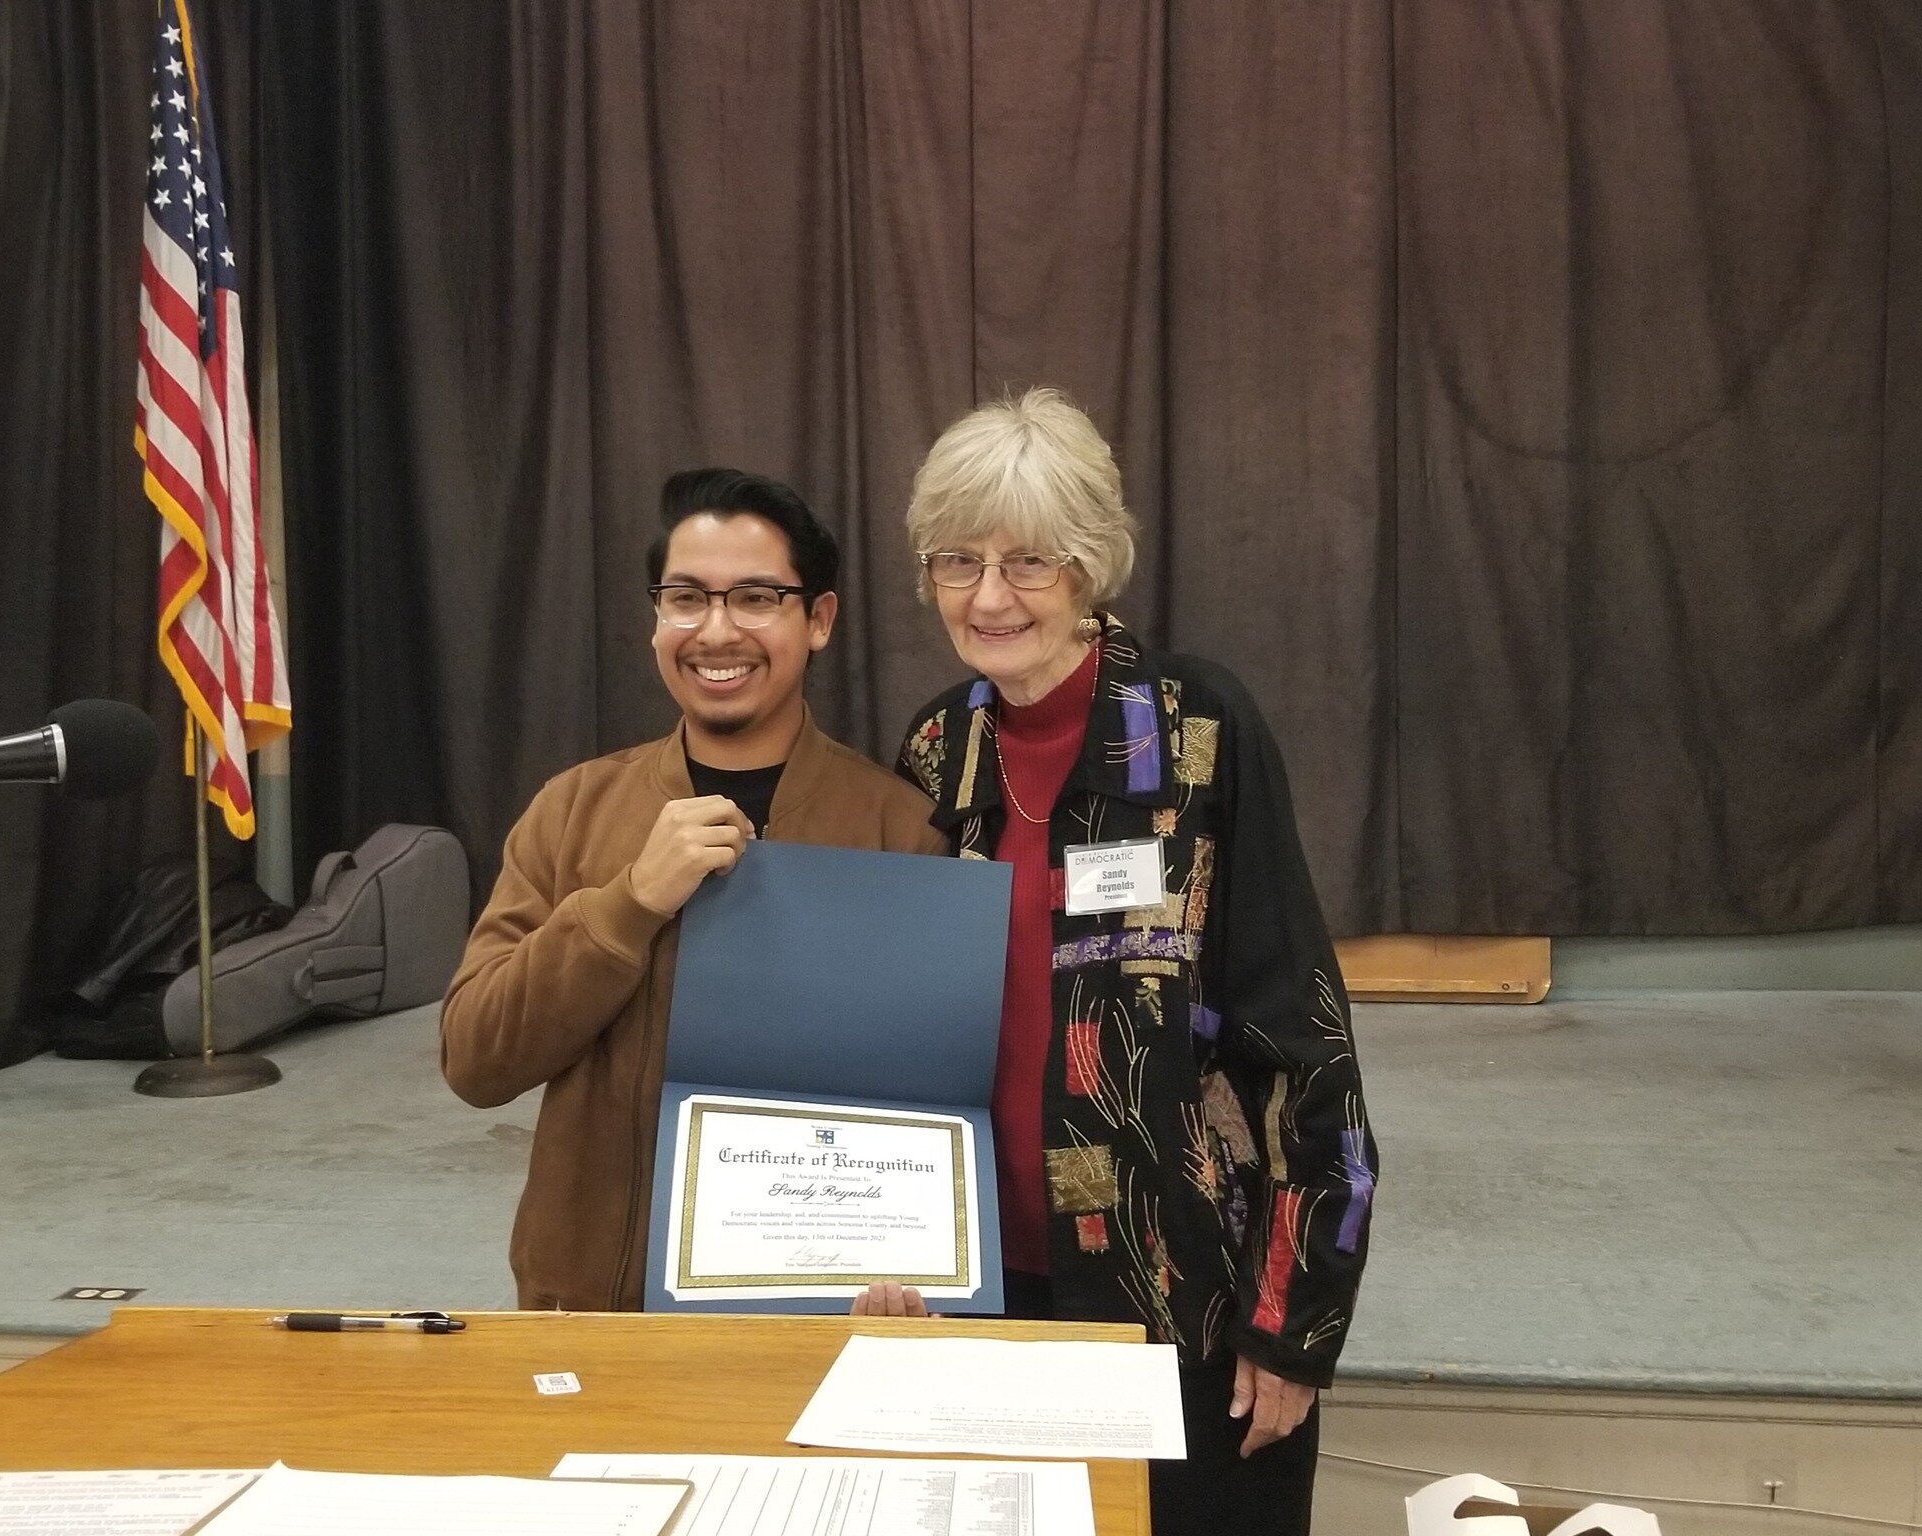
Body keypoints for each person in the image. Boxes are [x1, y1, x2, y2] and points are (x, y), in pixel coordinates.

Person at [857, 391, 1376, 1536]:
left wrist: (1293, 1327)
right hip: (988, 1296)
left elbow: (1301, 1037)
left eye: (1027, 561)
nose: (988, 596)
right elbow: (902, 1034)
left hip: (1184, 1299)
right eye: (956, 561)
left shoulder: (1197, 730)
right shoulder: (938, 750)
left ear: (1089, 565)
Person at [441, 468, 945, 1312]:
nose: (716, 631)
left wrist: (913, 1263)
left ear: (817, 620)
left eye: (755, 598)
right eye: (687, 598)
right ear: (656, 617)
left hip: (820, 1308)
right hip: (595, 1312)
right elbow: (477, 1061)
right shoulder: (574, 810)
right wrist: (629, 902)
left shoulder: (902, 831)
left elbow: (932, 1098)